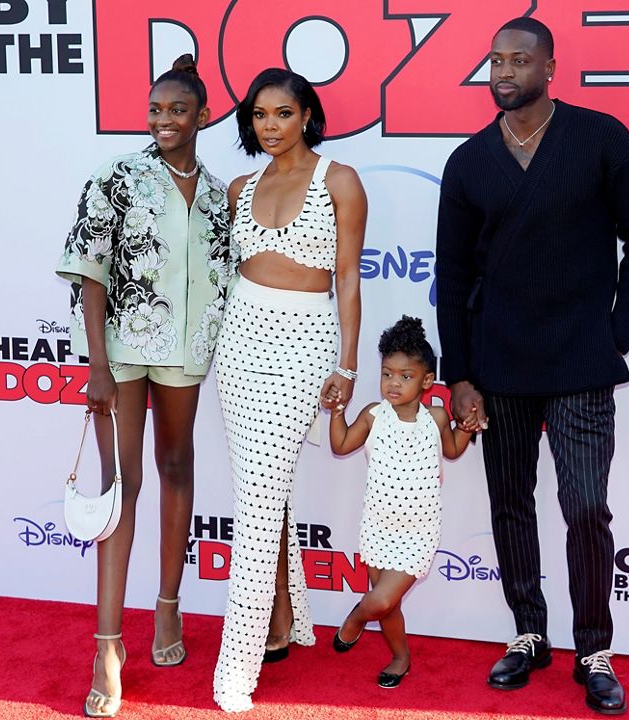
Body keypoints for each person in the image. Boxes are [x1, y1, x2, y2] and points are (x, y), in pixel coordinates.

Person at [434, 17, 629, 716]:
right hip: (497, 364)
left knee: (585, 506)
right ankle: (528, 632)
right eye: (495, 59)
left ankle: (594, 649)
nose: (504, 71)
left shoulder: (601, 139)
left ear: (550, 67)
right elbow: (451, 271)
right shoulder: (469, 162)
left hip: (580, 362)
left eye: (519, 59)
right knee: (510, 504)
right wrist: (459, 374)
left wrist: (614, 334)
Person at [55, 55, 234, 718]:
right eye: (155, 110)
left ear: (202, 117)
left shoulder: (217, 194)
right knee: (120, 485)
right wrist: (97, 364)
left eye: (176, 110)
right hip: (122, 354)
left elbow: (223, 277)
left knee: (178, 466)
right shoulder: (118, 177)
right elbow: (89, 270)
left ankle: (168, 608)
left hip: (187, 353)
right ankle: (107, 645)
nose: (163, 120)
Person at [211, 68, 367, 712]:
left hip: (303, 344)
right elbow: (226, 278)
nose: (269, 126)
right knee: (260, 492)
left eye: (282, 113)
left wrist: (349, 367)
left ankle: (235, 668)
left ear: (307, 114)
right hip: (239, 342)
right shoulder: (240, 187)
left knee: (258, 500)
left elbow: (349, 280)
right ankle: (282, 619)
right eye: (258, 116)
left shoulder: (340, 181)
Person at [327, 316, 475, 688]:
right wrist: (337, 412)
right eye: (387, 374)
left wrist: (465, 428)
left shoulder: (437, 418)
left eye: (405, 376)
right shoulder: (373, 416)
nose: (394, 383)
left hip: (420, 531)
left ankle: (356, 618)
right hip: (378, 525)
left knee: (379, 601)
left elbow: (453, 450)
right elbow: (341, 445)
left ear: (427, 381)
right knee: (388, 604)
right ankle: (400, 657)